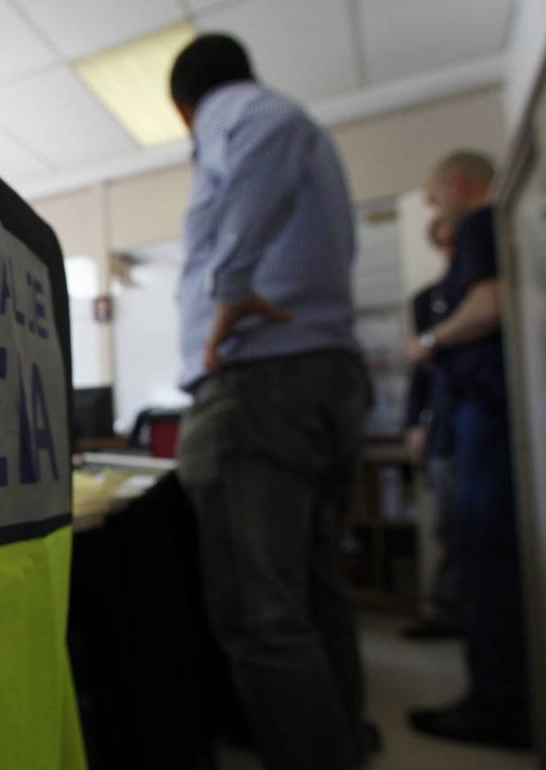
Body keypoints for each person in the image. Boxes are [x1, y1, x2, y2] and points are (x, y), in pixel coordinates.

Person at [169, 34, 372, 770]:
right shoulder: (298, 136)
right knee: (311, 595)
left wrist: (227, 286)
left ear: (184, 110)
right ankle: (343, 746)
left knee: (263, 618)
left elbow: (269, 128)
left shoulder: (240, 111)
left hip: (260, 385)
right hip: (316, 378)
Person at [406, 151, 531, 749]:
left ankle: (498, 702)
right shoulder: (501, 226)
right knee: (485, 551)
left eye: (435, 200)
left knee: (487, 555)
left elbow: (490, 304)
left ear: (457, 185)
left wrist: (429, 341)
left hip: (485, 411)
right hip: (486, 413)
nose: (438, 211)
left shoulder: (482, 222)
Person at [401, 216, 463, 640]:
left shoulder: (487, 290)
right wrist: (413, 422)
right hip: (443, 425)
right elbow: (420, 370)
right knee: (449, 523)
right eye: (443, 244)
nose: (449, 252)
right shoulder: (428, 300)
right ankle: (447, 609)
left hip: (485, 417)